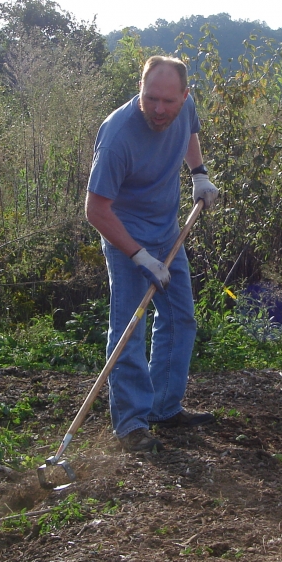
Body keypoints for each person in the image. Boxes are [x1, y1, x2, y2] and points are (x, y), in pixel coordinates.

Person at [85, 56, 220, 454]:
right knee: (129, 328)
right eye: (150, 99)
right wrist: (139, 257)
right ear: (140, 90)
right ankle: (131, 424)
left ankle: (164, 407)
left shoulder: (185, 107)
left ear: (184, 95)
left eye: (168, 101)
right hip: (126, 238)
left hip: (167, 231)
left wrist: (199, 173)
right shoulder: (117, 136)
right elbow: (96, 210)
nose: (159, 109)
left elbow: (190, 131)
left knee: (181, 319)